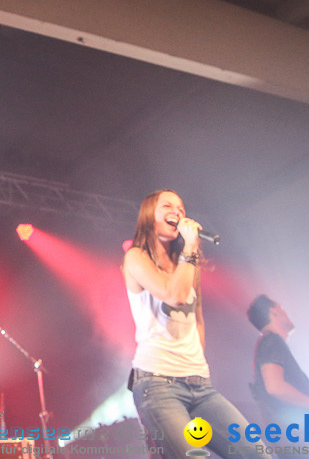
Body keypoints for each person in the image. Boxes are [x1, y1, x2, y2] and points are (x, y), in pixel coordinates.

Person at [122, 189, 259, 458]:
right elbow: (174, 294)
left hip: (200, 384)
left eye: (181, 208)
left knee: (255, 452)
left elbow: (197, 317)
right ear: (150, 216)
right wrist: (191, 247)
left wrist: (198, 365)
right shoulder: (136, 258)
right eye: (168, 206)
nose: (178, 212)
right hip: (158, 384)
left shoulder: (186, 263)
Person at [248, 295, 309, 428]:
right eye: (282, 309)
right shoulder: (272, 340)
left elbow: (292, 398)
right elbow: (275, 387)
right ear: (274, 311)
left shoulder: (271, 343)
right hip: (296, 439)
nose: (286, 313)